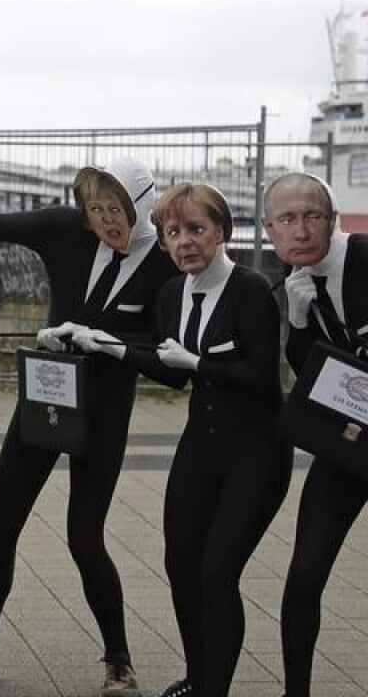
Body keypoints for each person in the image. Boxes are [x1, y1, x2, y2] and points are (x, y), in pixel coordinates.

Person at [0, 157, 178, 695]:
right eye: (96, 208)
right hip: (47, 397)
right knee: (2, 524)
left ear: (143, 204)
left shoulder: (166, 265)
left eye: (117, 209)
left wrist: (108, 345)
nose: (105, 220)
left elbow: (166, 360)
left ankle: (119, 662)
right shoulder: (67, 229)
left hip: (105, 413)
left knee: (85, 537)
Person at [77, 184, 291, 697]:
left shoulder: (251, 290)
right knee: (180, 564)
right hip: (201, 447)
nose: (184, 242)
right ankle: (199, 677)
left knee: (217, 573)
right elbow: (168, 369)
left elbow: (262, 377)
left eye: (196, 229)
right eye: (173, 232)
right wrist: (101, 343)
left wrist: (198, 364)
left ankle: (213, 688)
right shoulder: (173, 292)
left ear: (220, 232)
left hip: (256, 451)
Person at [263, 173, 368, 697]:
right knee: (305, 572)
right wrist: (300, 322)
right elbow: (313, 377)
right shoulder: (294, 284)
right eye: (287, 220)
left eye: (311, 216)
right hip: (350, 447)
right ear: (270, 231)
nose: (300, 230)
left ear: (335, 219)